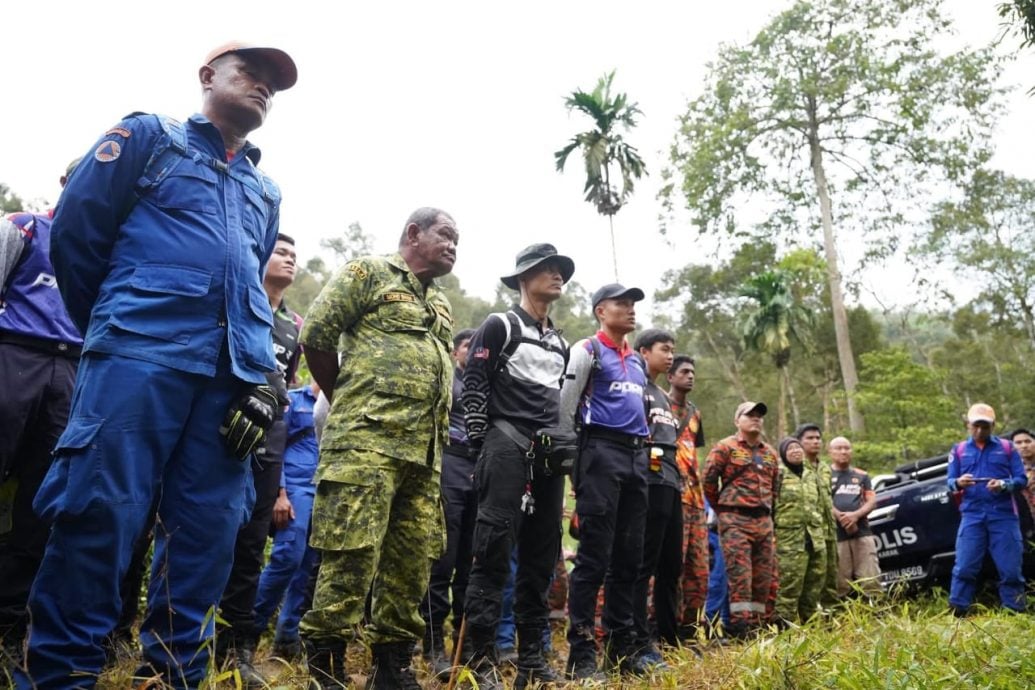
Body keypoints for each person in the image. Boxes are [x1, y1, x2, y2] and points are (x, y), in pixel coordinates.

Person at [16, 42, 297, 690]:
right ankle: (60, 675)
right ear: (207, 77)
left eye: (271, 85)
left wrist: (262, 378)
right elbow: (78, 236)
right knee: (98, 513)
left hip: (226, 380)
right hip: (138, 358)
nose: (261, 88)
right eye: (249, 73)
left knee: (208, 534)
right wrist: (118, 329)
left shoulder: (263, 188)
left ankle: (171, 676)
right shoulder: (148, 137)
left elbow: (248, 285)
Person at [299, 207, 458, 690]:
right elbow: (317, 334)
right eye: (446, 235)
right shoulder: (368, 272)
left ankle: (392, 668)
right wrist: (347, 398)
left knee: (410, 566)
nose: (454, 246)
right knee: (350, 556)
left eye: (458, 240)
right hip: (366, 443)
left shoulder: (442, 303)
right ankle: (326, 669)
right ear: (414, 233)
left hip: (424, 454)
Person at [460, 243, 575, 690]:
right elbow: (475, 383)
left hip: (548, 457)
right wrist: (480, 444)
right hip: (504, 446)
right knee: (490, 552)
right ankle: (480, 662)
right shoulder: (500, 325)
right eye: (547, 270)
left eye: (560, 270)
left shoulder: (560, 342)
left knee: (541, 558)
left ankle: (532, 661)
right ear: (524, 278)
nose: (557, 276)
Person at [0, 160, 83, 663]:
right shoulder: (25, 226)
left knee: (40, 499)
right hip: (14, 353)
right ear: (65, 184)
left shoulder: (106, 249)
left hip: (72, 371)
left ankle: (9, 627)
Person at [220, 232, 304, 685]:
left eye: (295, 254)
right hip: (224, 438)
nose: (290, 259)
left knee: (251, 551)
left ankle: (235, 652)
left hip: (269, 448)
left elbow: (286, 387)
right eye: (281, 251)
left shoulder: (295, 325)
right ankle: (178, 639)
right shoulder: (239, 302)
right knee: (207, 539)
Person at [561, 283, 651, 680]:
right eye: (622, 304)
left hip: (637, 456)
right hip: (598, 452)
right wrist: (570, 464)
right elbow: (565, 408)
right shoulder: (587, 350)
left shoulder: (638, 362)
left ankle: (621, 650)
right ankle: (581, 655)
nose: (630, 310)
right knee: (594, 557)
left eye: (633, 304)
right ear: (601, 311)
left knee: (629, 559)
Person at [420, 327, 476, 678]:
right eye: (469, 346)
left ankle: (465, 644)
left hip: (480, 469)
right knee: (443, 559)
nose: (474, 351)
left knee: (472, 564)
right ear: (456, 352)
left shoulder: (488, 385)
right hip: (449, 466)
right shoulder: (446, 379)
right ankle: (432, 644)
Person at [253, 381, 322, 660]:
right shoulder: (295, 400)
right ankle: (247, 629)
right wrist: (279, 493)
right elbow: (276, 446)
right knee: (287, 558)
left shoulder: (343, 400)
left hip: (324, 489)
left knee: (308, 566)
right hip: (295, 488)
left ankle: (286, 638)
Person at [703, 401, 779, 638]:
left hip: (763, 521)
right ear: (737, 421)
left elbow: (775, 486)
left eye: (759, 416)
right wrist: (723, 509)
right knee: (740, 577)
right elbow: (707, 482)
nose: (756, 419)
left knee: (763, 578)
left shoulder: (770, 453)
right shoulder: (725, 448)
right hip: (735, 520)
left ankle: (757, 626)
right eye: (749, 415)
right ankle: (738, 627)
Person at [947, 404, 1027, 615]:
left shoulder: (1008, 448)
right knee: (964, 567)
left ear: (993, 426)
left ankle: (1015, 613)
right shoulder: (959, 450)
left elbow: (1021, 479)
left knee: (1010, 569)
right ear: (968, 425)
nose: (980, 431)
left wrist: (1003, 485)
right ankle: (958, 613)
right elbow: (949, 481)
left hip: (1003, 515)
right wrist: (959, 482)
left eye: (985, 426)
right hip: (972, 515)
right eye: (976, 426)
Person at [631, 329, 681, 657]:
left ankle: (669, 636)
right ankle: (636, 638)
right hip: (646, 481)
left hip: (671, 481)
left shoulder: (663, 395)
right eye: (665, 349)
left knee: (670, 565)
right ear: (644, 351)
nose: (671, 355)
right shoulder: (634, 387)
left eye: (673, 350)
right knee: (641, 563)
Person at [667, 355, 708, 641]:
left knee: (699, 570)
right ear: (670, 376)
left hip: (695, 500)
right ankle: (663, 629)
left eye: (693, 371)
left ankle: (689, 631)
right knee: (671, 567)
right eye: (684, 371)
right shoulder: (656, 403)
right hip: (671, 496)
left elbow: (694, 452)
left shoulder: (695, 413)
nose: (690, 376)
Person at [773, 437, 826, 623]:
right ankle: (783, 628)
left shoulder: (811, 474)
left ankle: (810, 626)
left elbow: (820, 504)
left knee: (814, 584)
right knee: (789, 586)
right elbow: (771, 506)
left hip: (815, 539)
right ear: (783, 454)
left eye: (798, 448)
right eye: (790, 449)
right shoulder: (778, 474)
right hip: (789, 541)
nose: (796, 451)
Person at [829, 436, 881, 597]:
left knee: (870, 578)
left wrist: (855, 515)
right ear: (830, 451)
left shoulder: (862, 475)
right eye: (838, 448)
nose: (843, 451)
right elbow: (822, 500)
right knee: (840, 582)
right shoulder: (823, 474)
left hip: (862, 532)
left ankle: (875, 613)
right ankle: (842, 617)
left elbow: (871, 501)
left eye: (847, 448)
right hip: (836, 535)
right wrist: (842, 517)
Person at [795, 423, 839, 608]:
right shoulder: (795, 467)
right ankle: (807, 623)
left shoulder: (826, 469)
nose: (815, 442)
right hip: (808, 535)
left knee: (831, 580)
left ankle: (832, 623)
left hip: (829, 532)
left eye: (818, 438)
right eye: (809, 438)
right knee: (809, 582)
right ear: (799, 442)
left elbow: (829, 499)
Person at [1010, 427, 1035, 525]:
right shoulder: (1009, 470)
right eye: (1018, 443)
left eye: (1028, 441)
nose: (1024, 446)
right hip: (1023, 520)